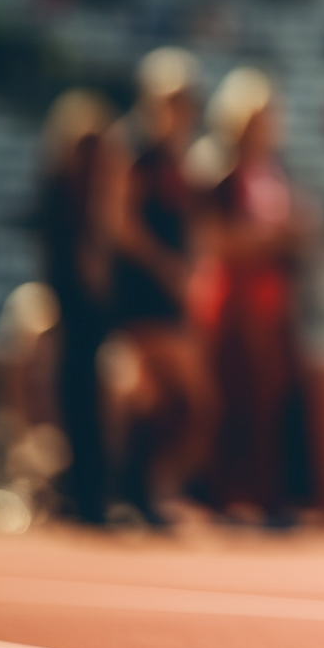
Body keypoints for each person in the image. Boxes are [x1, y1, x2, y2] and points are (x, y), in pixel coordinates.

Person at [192, 67, 319, 526]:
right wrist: (274, 238)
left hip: (271, 299)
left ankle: (269, 494)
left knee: (271, 400)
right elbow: (216, 241)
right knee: (234, 398)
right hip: (233, 300)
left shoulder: (273, 171)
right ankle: (225, 493)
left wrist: (290, 235)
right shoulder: (219, 168)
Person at [98, 47, 217, 524]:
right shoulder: (132, 147)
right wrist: (167, 266)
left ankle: (151, 489)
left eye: (189, 101)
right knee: (147, 395)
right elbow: (120, 223)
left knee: (189, 400)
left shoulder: (179, 156)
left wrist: (192, 268)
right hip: (138, 292)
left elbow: (190, 223)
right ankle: (132, 491)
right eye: (175, 100)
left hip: (169, 293)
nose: (183, 111)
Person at [35, 89, 115, 525]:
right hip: (73, 311)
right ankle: (82, 496)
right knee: (78, 399)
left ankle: (93, 495)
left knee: (95, 402)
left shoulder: (99, 196)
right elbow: (61, 259)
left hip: (93, 315)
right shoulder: (60, 196)